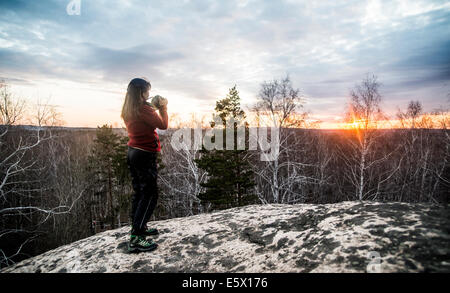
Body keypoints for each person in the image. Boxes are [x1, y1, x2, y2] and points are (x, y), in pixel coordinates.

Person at [120, 77, 168, 253]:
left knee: (140, 193)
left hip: (133, 152)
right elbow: (163, 125)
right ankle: (137, 237)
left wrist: (152, 107)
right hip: (145, 154)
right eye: (147, 91)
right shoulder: (143, 108)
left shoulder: (129, 109)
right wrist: (163, 107)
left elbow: (144, 118)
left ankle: (140, 227)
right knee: (150, 195)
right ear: (141, 92)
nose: (149, 94)